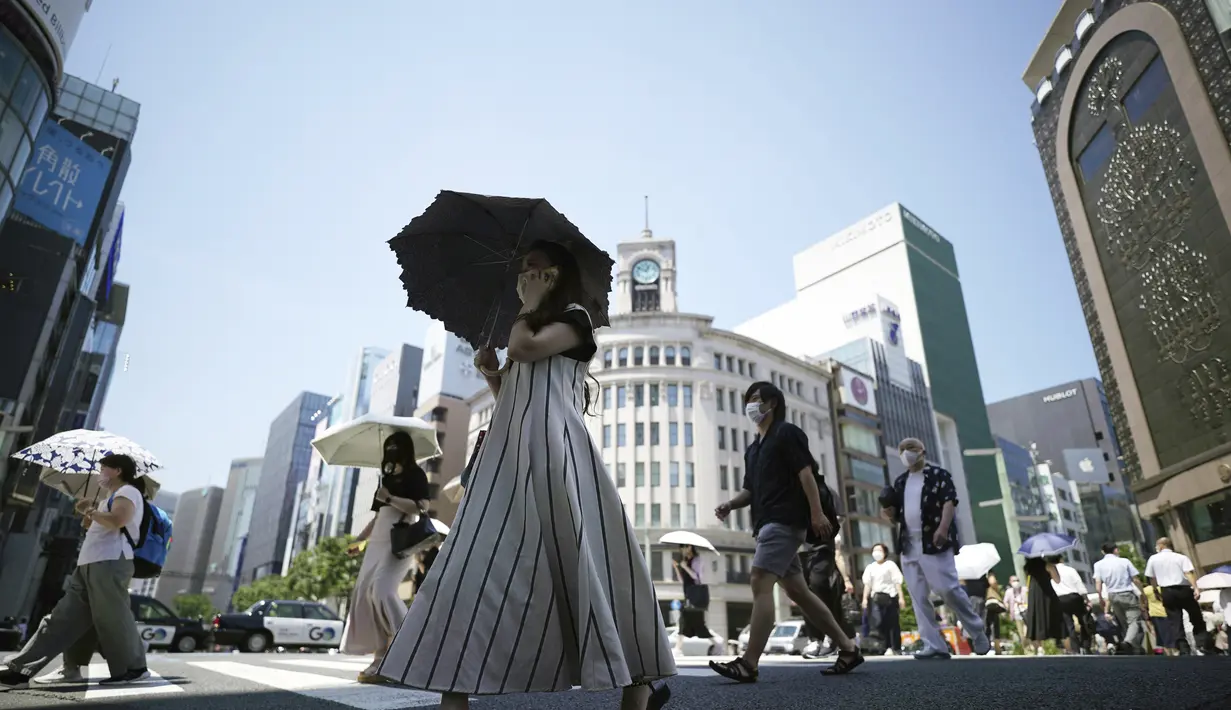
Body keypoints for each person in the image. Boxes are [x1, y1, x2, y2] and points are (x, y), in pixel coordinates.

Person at [377, 241, 674, 710]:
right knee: (474, 563)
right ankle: (453, 689)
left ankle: (638, 686)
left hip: (558, 454)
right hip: (511, 456)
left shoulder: (576, 319)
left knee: (593, 561)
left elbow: (526, 347)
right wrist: (494, 376)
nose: (524, 275)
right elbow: (518, 392)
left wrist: (528, 311)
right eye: (522, 270)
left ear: (557, 274)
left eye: (533, 268)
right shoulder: (533, 323)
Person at [709, 381, 863, 681]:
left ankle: (749, 663)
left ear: (772, 403)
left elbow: (805, 473)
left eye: (756, 399)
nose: (751, 406)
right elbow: (749, 491)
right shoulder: (753, 449)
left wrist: (817, 513)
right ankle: (847, 647)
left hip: (785, 520)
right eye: (748, 400)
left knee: (759, 581)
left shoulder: (786, 433)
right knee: (798, 591)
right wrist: (730, 504)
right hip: (765, 523)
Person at [1, 454, 149, 689]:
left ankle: (134, 668)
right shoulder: (109, 497)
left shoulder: (128, 492)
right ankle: (21, 668)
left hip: (109, 562)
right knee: (63, 617)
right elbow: (104, 524)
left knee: (113, 616)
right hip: (91, 562)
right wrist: (89, 516)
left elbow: (118, 520)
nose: (100, 472)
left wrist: (90, 510)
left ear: (118, 470)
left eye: (103, 468)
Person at [879, 438, 990, 660]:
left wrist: (943, 528)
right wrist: (890, 513)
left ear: (921, 451)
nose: (905, 453)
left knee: (947, 589)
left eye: (910, 449)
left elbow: (949, 502)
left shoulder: (939, 475)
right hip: (909, 544)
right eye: (902, 450)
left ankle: (976, 630)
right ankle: (934, 643)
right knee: (918, 596)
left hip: (935, 541)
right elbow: (898, 515)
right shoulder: (900, 482)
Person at [341, 431, 430, 683]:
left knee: (382, 591)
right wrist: (359, 540)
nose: (391, 449)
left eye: (395, 445)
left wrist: (390, 497)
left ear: (405, 448)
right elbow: (377, 516)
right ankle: (380, 660)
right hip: (376, 543)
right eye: (388, 446)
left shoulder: (416, 475)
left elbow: (422, 506)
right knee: (366, 596)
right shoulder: (386, 478)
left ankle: (409, 646)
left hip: (398, 542)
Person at [1144, 537, 1210, 654]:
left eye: (1157, 546)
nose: (1156, 548)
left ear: (1162, 546)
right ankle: (1201, 644)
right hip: (1184, 589)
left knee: (1174, 620)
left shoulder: (1153, 559)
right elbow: (1188, 573)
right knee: (1195, 616)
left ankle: (1183, 648)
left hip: (1167, 591)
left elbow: (1152, 578)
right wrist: (1195, 588)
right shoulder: (1181, 557)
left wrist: (1155, 590)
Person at [1092, 541, 1145, 654]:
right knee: (1134, 621)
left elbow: (1098, 583)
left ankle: (1135, 648)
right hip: (1127, 594)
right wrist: (1142, 593)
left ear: (1103, 552)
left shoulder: (1098, 565)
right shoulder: (1124, 561)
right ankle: (1127, 643)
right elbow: (1135, 579)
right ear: (1116, 550)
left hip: (1112, 596)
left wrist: (1100, 597)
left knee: (1124, 622)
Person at [860, 543, 905, 655]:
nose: (877, 552)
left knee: (892, 623)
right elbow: (867, 584)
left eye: (879, 550)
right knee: (877, 622)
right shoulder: (870, 567)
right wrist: (864, 599)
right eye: (875, 550)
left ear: (885, 552)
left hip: (890, 596)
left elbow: (897, 582)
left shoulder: (890, 565)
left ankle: (895, 647)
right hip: (876, 598)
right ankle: (882, 646)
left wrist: (901, 597)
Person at [1050, 555, 1091, 653]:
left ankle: (1075, 649)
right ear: (1061, 559)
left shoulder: (1050, 573)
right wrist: (1086, 599)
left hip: (1060, 599)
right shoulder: (1070, 570)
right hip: (1074, 597)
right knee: (1083, 621)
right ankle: (1086, 645)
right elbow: (1079, 584)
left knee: (1069, 625)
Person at [672, 545, 712, 641]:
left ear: (689, 547)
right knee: (700, 625)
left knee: (683, 620)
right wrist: (677, 568)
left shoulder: (697, 560)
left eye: (683, 548)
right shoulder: (684, 561)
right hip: (688, 593)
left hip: (694, 595)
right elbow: (682, 580)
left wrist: (685, 567)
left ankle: (678, 648)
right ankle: (716, 643)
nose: (682, 551)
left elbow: (697, 578)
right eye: (681, 549)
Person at [1024, 557, 1065, 648]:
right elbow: (1057, 580)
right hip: (1046, 593)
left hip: (1033, 594)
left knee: (1036, 619)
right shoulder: (1047, 565)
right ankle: (1057, 644)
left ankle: (1039, 648)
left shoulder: (1027, 567)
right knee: (1052, 617)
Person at [1141, 582, 1173, 656]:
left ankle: (1168, 655)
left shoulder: (1146, 590)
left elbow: (1143, 601)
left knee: (1162, 636)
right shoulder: (1164, 587)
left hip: (1155, 614)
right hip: (1167, 612)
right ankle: (1175, 653)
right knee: (1171, 635)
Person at [1002, 574, 1029, 649]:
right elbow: (1005, 601)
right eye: (1014, 581)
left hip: (1025, 611)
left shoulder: (1024, 589)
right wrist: (1006, 607)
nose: (1016, 582)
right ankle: (1025, 648)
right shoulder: (1009, 591)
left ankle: (1028, 645)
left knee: (1026, 631)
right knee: (1021, 633)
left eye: (1017, 580)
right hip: (1016, 613)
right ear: (1010, 582)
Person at [984, 573, 1005, 653]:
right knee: (994, 625)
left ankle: (988, 646)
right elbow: (993, 582)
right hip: (991, 604)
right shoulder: (989, 573)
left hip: (985, 602)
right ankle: (996, 647)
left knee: (987, 625)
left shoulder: (981, 575)